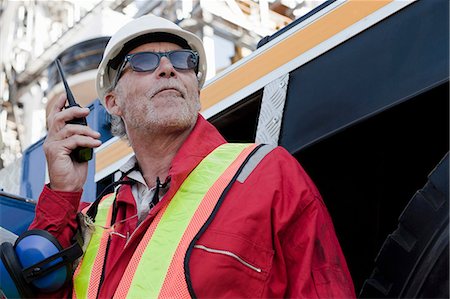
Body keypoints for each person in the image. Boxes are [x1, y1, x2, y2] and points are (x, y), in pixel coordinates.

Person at [28, 15, 355, 298]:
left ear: (196, 90)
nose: (169, 68)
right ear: (113, 103)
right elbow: (39, 288)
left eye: (183, 60)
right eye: (143, 62)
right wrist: (63, 193)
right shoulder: (95, 218)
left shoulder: (269, 175)